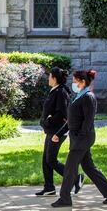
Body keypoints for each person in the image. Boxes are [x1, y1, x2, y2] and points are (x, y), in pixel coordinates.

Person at [51, 70, 107, 207]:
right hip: (79, 139)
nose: (74, 83)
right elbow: (72, 121)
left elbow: (88, 122)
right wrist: (58, 134)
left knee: (70, 168)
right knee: (88, 167)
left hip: (82, 139)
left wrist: (79, 139)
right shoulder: (79, 96)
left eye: (76, 81)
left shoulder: (88, 97)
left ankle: (65, 198)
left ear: (83, 82)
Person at [35, 67, 77, 196]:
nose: (48, 78)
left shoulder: (60, 92)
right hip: (51, 131)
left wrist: (48, 121)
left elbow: (62, 113)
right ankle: (49, 187)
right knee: (46, 159)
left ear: (54, 78)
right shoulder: (55, 91)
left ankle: (75, 179)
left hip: (57, 131)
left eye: (49, 76)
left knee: (50, 160)